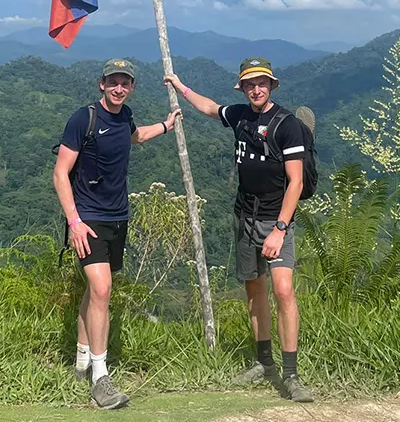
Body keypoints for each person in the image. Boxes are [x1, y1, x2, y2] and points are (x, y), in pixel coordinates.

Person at [165, 57, 314, 403]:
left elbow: (296, 182)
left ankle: (290, 375)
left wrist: (279, 228)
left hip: (276, 221)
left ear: (272, 85)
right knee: (254, 292)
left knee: (284, 290)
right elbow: (211, 109)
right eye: (250, 84)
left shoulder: (287, 124)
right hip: (244, 218)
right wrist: (180, 86)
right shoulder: (241, 116)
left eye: (261, 83)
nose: (256, 89)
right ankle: (264, 363)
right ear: (243, 88)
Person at [53, 58, 181, 410]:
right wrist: (74, 222)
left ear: (132, 87)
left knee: (96, 290)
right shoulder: (84, 118)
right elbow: (61, 172)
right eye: (113, 82)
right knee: (103, 288)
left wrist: (167, 126)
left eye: (125, 83)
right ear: (101, 84)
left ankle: (81, 360)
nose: (119, 88)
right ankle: (100, 377)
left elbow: (135, 136)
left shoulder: (124, 116)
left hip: (118, 217)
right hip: (88, 219)